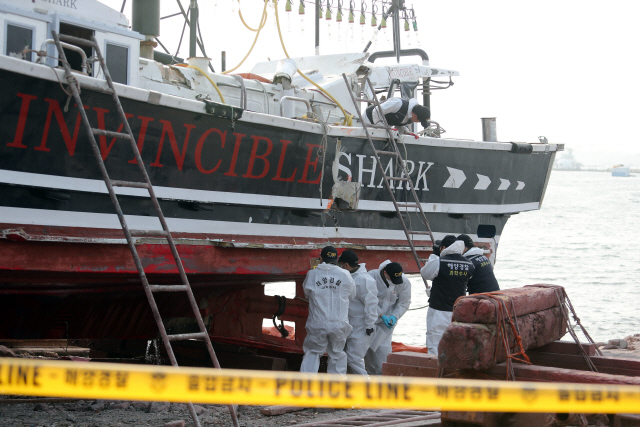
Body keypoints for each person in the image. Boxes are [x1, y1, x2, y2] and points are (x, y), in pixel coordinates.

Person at [300, 246, 356, 375]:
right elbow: (352, 295)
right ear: (337, 259)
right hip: (339, 323)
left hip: (318, 322)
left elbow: (307, 294)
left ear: (320, 258)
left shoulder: (312, 274)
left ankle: (306, 388)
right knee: (337, 354)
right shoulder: (345, 274)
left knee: (313, 353)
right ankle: (336, 390)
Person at [420, 235, 475, 355]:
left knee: (435, 343)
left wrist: (434, 256)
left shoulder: (439, 261)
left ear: (443, 248)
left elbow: (425, 274)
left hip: (439, 309)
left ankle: (435, 371)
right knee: (455, 343)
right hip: (458, 311)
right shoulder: (469, 264)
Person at [363, 260, 412, 375]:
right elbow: (367, 300)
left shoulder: (404, 282)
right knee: (367, 352)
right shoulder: (371, 277)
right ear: (385, 273)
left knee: (383, 352)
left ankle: (383, 381)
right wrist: (380, 314)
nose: (394, 283)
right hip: (369, 318)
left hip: (387, 322)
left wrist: (395, 316)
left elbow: (404, 303)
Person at [338, 250, 378, 376]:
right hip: (349, 325)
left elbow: (371, 305)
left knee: (354, 359)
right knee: (343, 358)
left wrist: (369, 326)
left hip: (362, 328)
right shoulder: (350, 277)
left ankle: (367, 386)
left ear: (346, 265)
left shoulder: (364, 280)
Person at [364, 97, 430, 130]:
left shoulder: (410, 117)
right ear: (415, 116)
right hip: (368, 120)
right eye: (419, 121)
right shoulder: (398, 103)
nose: (417, 122)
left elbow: (398, 124)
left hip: (382, 128)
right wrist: (382, 127)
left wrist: (404, 131)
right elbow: (376, 111)